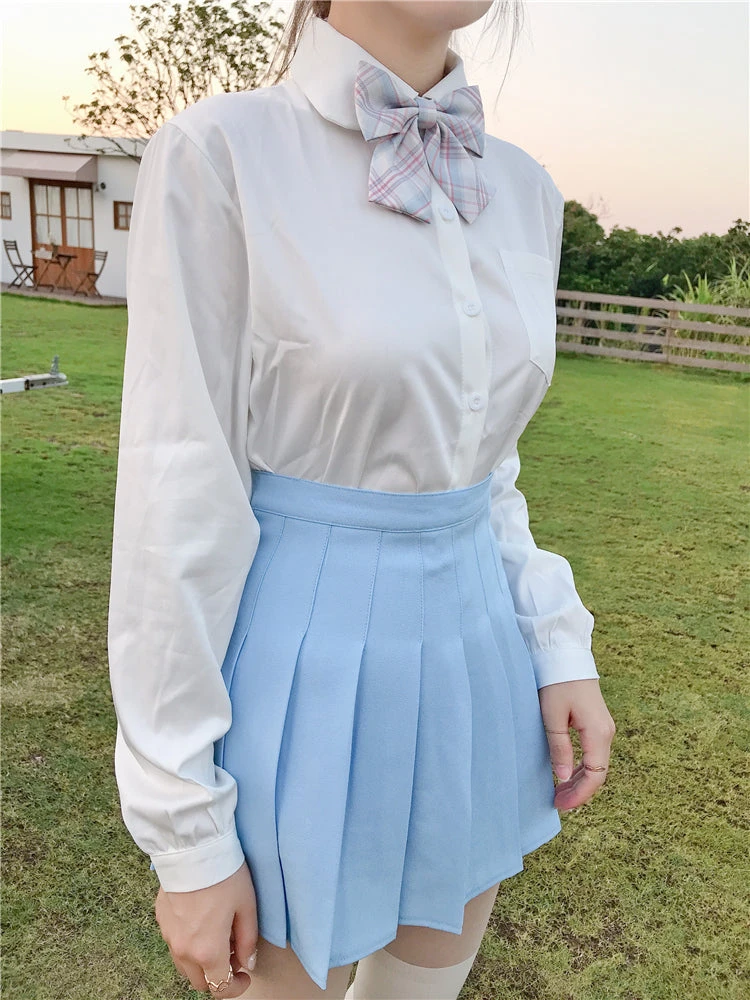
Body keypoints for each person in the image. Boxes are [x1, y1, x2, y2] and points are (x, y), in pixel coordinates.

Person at [107, 1, 616, 997]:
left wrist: (557, 643)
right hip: (297, 681)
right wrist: (187, 834)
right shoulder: (223, 153)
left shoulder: (523, 190)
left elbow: (485, 460)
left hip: (477, 672)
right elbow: (177, 492)